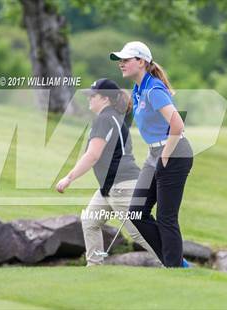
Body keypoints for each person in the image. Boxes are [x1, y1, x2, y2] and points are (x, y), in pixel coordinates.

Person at [55, 78, 162, 267]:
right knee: (90, 221)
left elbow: (92, 155)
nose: (89, 99)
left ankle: (174, 263)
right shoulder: (114, 117)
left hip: (121, 187)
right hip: (111, 186)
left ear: (105, 99)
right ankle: (94, 269)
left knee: (139, 232)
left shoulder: (104, 119)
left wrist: (69, 178)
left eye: (93, 96)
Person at [110, 41, 194, 268]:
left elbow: (177, 124)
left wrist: (165, 156)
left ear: (141, 62)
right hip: (155, 154)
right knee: (137, 212)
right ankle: (174, 261)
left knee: (167, 217)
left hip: (174, 154)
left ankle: (175, 267)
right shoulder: (138, 89)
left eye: (126, 60)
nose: (121, 64)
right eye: (120, 60)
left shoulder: (153, 89)